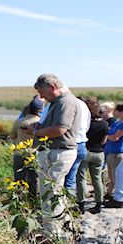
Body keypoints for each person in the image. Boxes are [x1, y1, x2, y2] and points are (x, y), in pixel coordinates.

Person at [32, 74, 81, 235]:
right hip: (55, 151)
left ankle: (52, 232)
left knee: (50, 192)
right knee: (55, 191)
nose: (41, 97)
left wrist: (37, 132)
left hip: (59, 152)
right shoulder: (57, 102)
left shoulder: (65, 102)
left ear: (52, 87)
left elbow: (59, 129)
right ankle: (64, 224)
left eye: (42, 92)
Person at [76, 98, 108, 214]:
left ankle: (81, 204)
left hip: (87, 151)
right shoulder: (105, 124)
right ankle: (99, 203)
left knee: (81, 178)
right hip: (99, 153)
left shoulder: (87, 124)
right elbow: (104, 141)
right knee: (97, 179)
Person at [10, 97, 44, 196]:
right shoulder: (41, 122)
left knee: (18, 179)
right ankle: (33, 200)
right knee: (34, 179)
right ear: (41, 110)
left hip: (19, 154)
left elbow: (12, 136)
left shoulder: (19, 121)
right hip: (34, 154)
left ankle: (19, 199)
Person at [103, 104, 123, 202]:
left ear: (122, 111)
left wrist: (106, 136)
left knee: (117, 176)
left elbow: (115, 137)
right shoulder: (117, 122)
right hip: (111, 151)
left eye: (116, 110)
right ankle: (110, 193)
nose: (114, 112)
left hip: (119, 151)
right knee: (111, 175)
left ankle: (117, 196)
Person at [64, 97, 92, 193]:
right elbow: (87, 126)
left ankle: (60, 204)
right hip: (81, 143)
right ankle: (69, 203)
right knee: (71, 179)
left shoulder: (63, 103)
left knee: (59, 178)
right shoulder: (84, 106)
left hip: (67, 144)